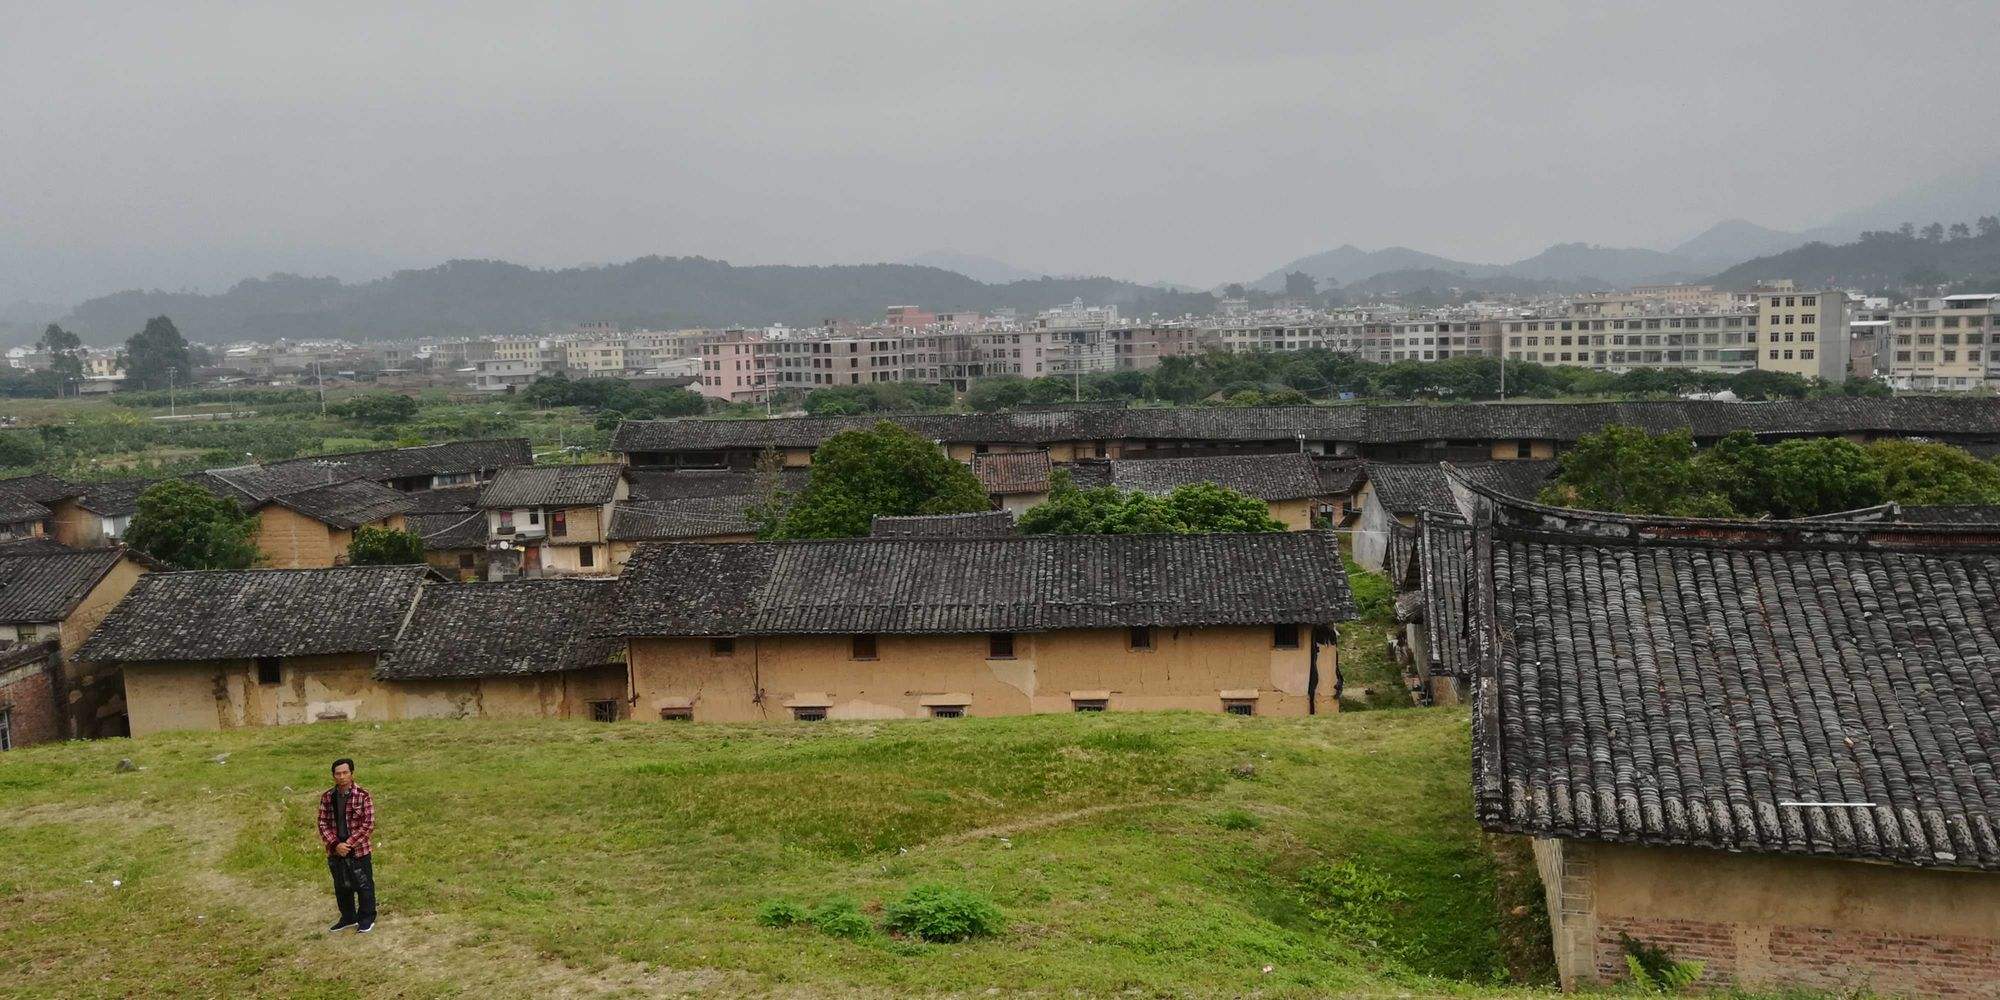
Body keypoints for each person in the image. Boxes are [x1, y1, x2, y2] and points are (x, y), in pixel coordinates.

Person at [316, 757, 377, 932]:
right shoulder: (327, 797)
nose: (341, 776)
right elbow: (322, 823)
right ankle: (348, 917)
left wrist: (348, 844)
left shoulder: (363, 796)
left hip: (358, 850)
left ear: (352, 774)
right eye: (338, 774)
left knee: (364, 885)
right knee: (341, 886)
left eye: (345, 773)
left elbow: (368, 824)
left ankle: (366, 918)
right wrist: (335, 844)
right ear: (333, 776)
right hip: (335, 851)